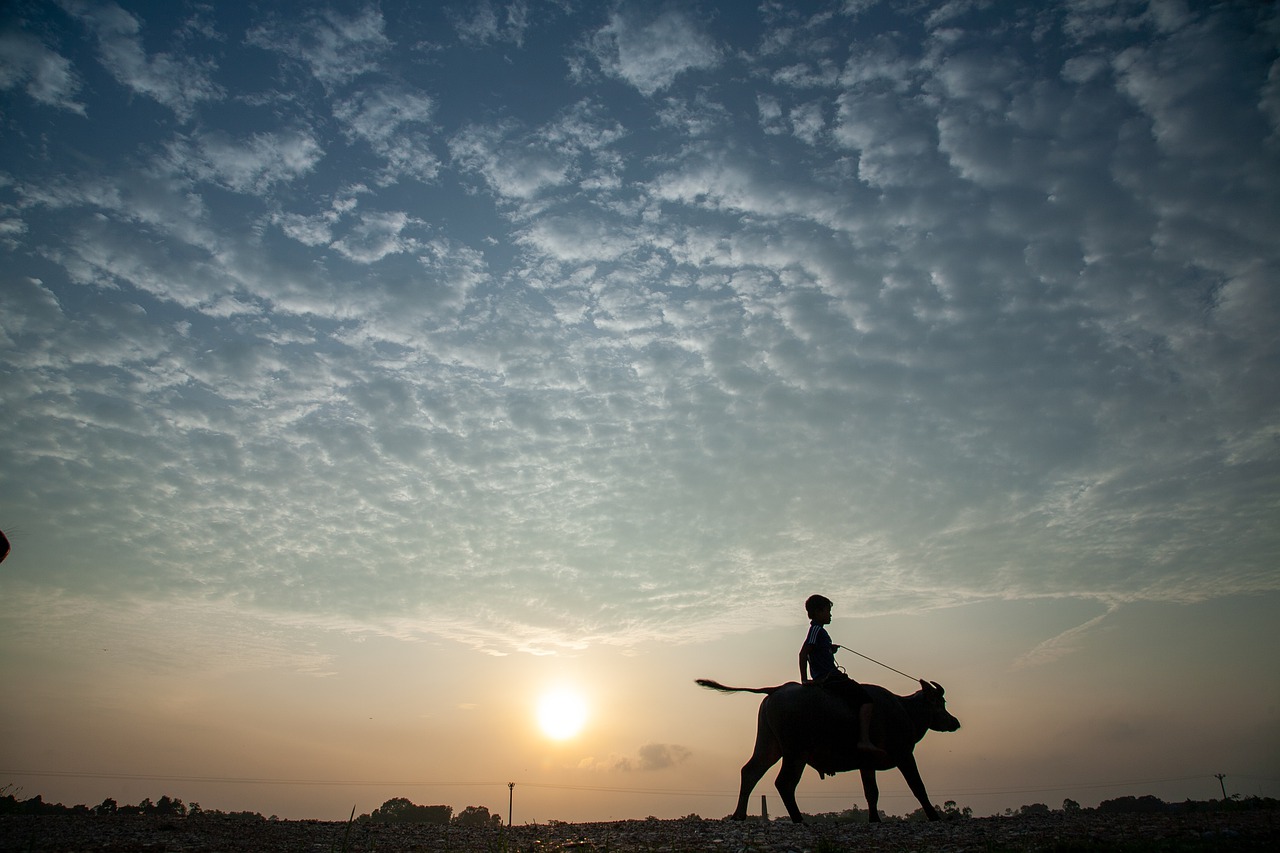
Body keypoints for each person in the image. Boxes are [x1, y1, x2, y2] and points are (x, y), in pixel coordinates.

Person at [799, 594, 885, 758]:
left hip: (827, 676)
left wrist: (829, 649)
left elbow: (816, 651)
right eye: (827, 611)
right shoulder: (816, 630)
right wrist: (804, 679)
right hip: (829, 678)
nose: (830, 615)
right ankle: (864, 740)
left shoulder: (819, 632)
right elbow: (804, 653)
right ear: (818, 612)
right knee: (866, 700)